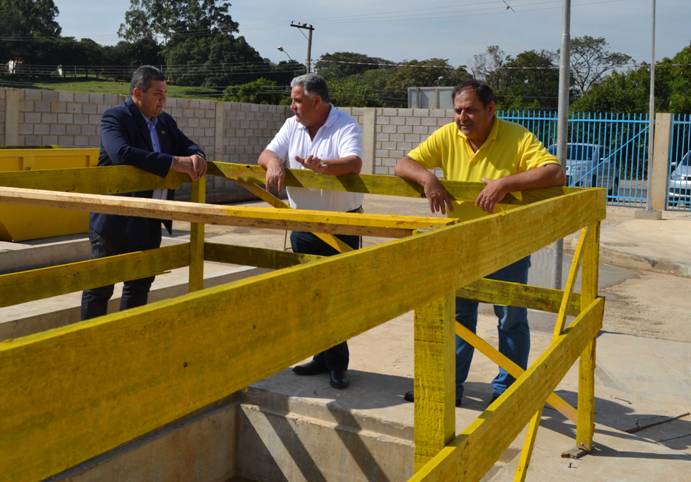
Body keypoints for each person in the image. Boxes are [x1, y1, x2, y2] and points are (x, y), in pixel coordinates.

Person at [395, 79, 565, 407]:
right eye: (458, 110)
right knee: (457, 318)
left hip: (508, 245)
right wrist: (428, 178)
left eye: (470, 110)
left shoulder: (516, 138)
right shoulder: (449, 136)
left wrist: (505, 183)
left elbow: (555, 173)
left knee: (511, 319)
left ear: (490, 110)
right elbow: (403, 164)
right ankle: (449, 386)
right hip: (460, 244)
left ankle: (507, 391)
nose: (462, 117)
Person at [258, 73, 364, 390]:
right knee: (310, 294)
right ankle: (322, 356)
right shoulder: (293, 126)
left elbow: (354, 162)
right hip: (303, 223)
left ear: (316, 101)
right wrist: (275, 164)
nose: (293, 106)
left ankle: (338, 364)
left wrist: (326, 168)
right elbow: (267, 153)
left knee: (335, 295)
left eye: (298, 100)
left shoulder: (345, 125)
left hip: (340, 225)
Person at [81, 65, 207, 320]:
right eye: (157, 93)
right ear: (138, 92)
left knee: (139, 285)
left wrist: (197, 156)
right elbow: (121, 153)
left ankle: (128, 340)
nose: (163, 99)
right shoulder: (115, 117)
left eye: (165, 93)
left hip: (150, 217)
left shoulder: (165, 121)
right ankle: (89, 342)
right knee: (101, 286)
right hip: (114, 219)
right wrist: (172, 162)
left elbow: (189, 145)